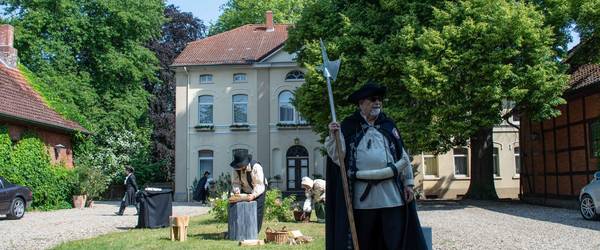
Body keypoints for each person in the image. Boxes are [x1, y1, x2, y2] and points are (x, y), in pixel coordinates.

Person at [325, 82, 427, 250]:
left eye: (379, 99)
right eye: (373, 99)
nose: (377, 103)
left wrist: (408, 183)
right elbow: (338, 158)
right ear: (361, 103)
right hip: (363, 201)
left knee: (394, 242)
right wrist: (334, 135)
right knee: (366, 243)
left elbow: (403, 156)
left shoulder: (388, 125)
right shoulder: (349, 126)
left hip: (391, 197)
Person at [229, 151, 267, 232]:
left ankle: (254, 232)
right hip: (244, 188)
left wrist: (253, 195)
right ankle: (237, 229)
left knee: (257, 211)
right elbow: (236, 183)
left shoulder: (256, 167)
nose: (239, 168)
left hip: (258, 190)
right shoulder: (236, 169)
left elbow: (259, 185)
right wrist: (237, 193)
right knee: (234, 205)